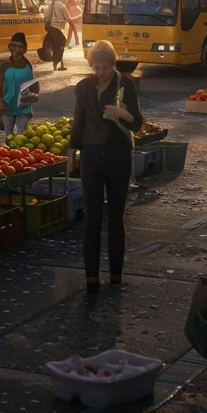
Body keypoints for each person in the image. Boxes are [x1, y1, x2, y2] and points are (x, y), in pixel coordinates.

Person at [68, 40, 142, 289]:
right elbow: (78, 122)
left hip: (118, 154)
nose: (101, 72)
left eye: (106, 67)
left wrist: (123, 114)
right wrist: (71, 153)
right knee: (92, 217)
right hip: (91, 156)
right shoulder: (83, 87)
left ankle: (116, 274)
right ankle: (91, 277)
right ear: (90, 65)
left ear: (114, 65)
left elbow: (137, 123)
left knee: (116, 216)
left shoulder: (126, 85)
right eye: (97, 67)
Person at [0, 32, 38, 137]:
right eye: (14, 46)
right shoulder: (4, 67)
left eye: (20, 47)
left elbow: (33, 86)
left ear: (24, 49)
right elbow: (0, 87)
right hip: (7, 106)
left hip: (23, 107)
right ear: (10, 47)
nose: (17, 50)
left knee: (21, 135)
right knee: (8, 136)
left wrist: (34, 95)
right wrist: (0, 101)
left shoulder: (28, 66)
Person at [42, 0, 71, 72]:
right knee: (61, 44)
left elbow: (46, 17)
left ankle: (57, 65)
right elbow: (68, 18)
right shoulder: (61, 5)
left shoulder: (49, 5)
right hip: (57, 28)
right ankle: (56, 64)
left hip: (50, 28)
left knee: (55, 47)